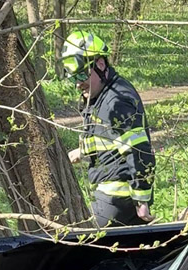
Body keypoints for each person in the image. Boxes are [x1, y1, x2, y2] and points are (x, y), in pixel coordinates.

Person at [61, 30, 156, 227]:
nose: (78, 83)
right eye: (73, 78)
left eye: (81, 74)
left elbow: (138, 150)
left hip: (116, 199)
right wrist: (82, 151)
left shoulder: (116, 101)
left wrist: (142, 200)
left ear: (100, 64)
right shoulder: (102, 96)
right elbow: (107, 134)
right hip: (109, 196)